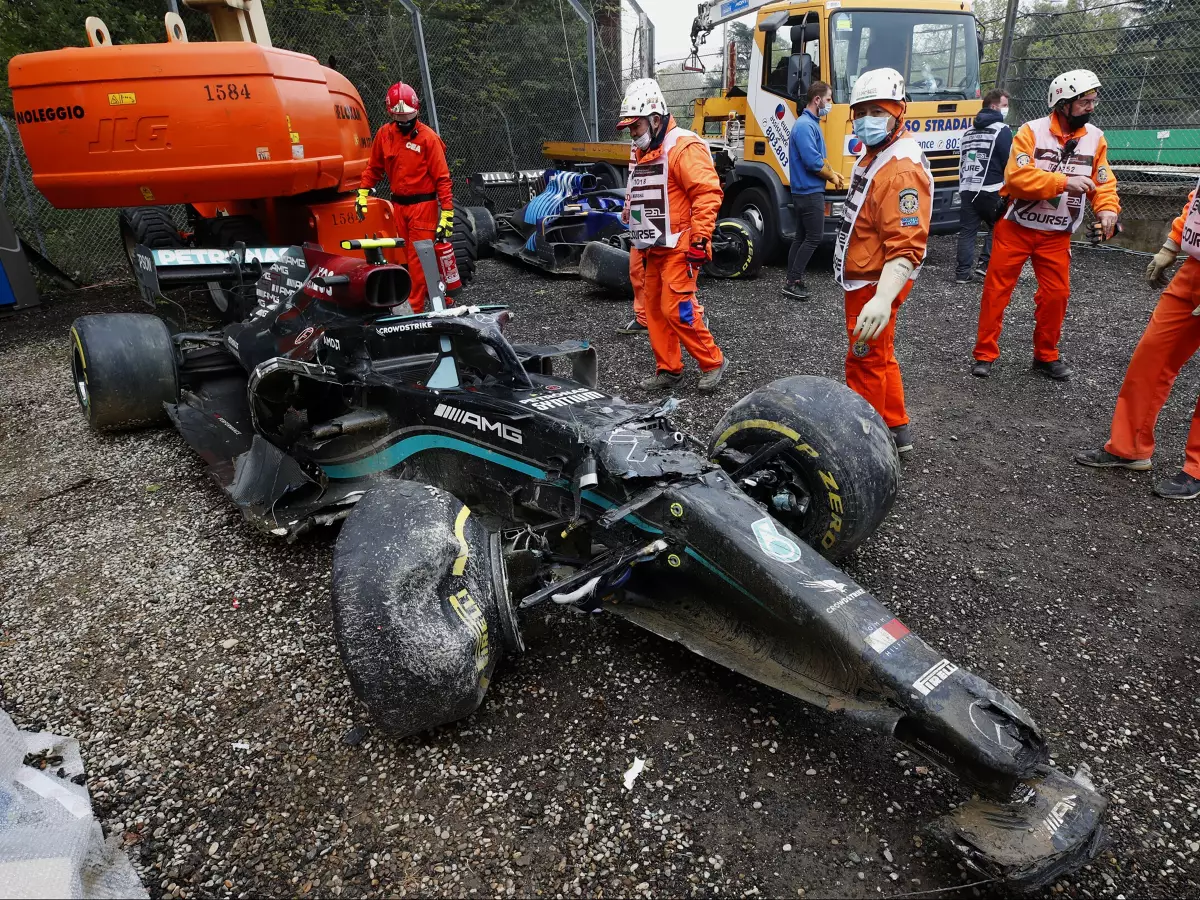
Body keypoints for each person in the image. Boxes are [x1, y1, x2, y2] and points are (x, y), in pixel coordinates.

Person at [970, 70, 1120, 380]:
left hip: (1056, 234)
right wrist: (1065, 182)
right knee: (997, 291)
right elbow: (1017, 179)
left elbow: (1103, 182)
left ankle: (1045, 355)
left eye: (1093, 101)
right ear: (1063, 104)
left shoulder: (1096, 138)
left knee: (1057, 295)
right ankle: (984, 354)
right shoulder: (1030, 132)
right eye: (1084, 102)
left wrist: (1107, 211)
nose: (1091, 107)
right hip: (1016, 227)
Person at [1075, 184, 1200, 500]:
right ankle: (1129, 447)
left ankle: (1196, 469)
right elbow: (1196, 203)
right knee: (1152, 356)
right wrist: (1171, 246)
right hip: (1194, 271)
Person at [832, 67, 933, 458]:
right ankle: (896, 426)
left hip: (876, 282)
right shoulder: (879, 154)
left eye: (877, 111)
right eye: (860, 111)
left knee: (864, 359)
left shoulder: (899, 168)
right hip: (869, 275)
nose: (866, 120)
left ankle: (865, 443)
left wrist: (883, 298)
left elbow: (907, 245)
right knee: (881, 354)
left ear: (898, 112)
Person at [619, 78, 728, 392]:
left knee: (676, 308)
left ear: (654, 119)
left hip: (681, 245)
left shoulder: (682, 146)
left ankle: (713, 361)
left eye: (635, 127)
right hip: (654, 246)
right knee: (653, 308)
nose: (632, 134)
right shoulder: (648, 150)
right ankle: (669, 369)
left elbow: (707, 193)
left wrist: (700, 239)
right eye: (629, 129)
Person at [357, 81, 454, 314]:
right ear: (391, 113)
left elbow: (442, 178)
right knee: (411, 258)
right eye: (399, 117)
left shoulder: (428, 139)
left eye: (408, 116)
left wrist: (447, 212)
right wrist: (362, 192)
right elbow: (374, 168)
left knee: (418, 260)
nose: (404, 121)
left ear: (416, 110)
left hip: (423, 207)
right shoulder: (384, 135)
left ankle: (415, 310)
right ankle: (441, 296)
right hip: (399, 207)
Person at [783, 81, 846, 301]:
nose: (831, 104)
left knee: (801, 237)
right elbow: (812, 162)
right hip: (809, 193)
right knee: (814, 237)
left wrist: (834, 173)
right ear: (817, 100)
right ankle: (793, 281)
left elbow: (820, 159)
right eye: (829, 99)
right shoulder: (805, 126)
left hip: (805, 191)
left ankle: (793, 280)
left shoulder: (809, 124)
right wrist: (830, 175)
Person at [956, 88, 1011, 284]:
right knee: (999, 226)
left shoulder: (968, 132)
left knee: (967, 232)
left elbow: (962, 160)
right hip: (992, 189)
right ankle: (983, 267)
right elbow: (1009, 161)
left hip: (967, 187)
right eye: (1005, 105)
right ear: (994, 106)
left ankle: (962, 274)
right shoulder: (1001, 130)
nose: (1007, 109)